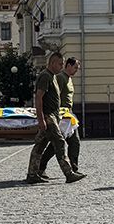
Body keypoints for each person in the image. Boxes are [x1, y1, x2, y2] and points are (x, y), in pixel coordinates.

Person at [25, 52, 86, 184]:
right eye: (60, 63)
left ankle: (32, 174)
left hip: (53, 115)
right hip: (48, 116)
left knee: (40, 146)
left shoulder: (52, 76)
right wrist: (41, 119)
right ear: (52, 63)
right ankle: (69, 173)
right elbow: (38, 97)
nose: (61, 66)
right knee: (59, 142)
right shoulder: (45, 76)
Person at [40, 57, 81, 176]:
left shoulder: (69, 79)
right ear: (68, 65)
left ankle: (74, 168)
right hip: (61, 115)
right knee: (56, 145)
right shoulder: (61, 78)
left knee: (74, 142)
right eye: (75, 67)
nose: (76, 71)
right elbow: (55, 97)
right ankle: (40, 167)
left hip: (69, 114)